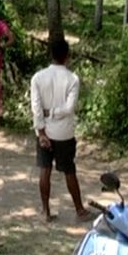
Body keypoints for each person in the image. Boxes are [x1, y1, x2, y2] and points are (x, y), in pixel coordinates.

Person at [31, 38, 88, 222]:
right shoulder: (72, 79)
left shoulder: (38, 78)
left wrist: (41, 132)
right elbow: (69, 109)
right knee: (69, 170)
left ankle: (45, 211)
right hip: (64, 133)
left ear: (51, 55)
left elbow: (36, 108)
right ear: (67, 56)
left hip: (45, 131)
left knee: (45, 170)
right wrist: (55, 112)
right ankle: (79, 210)